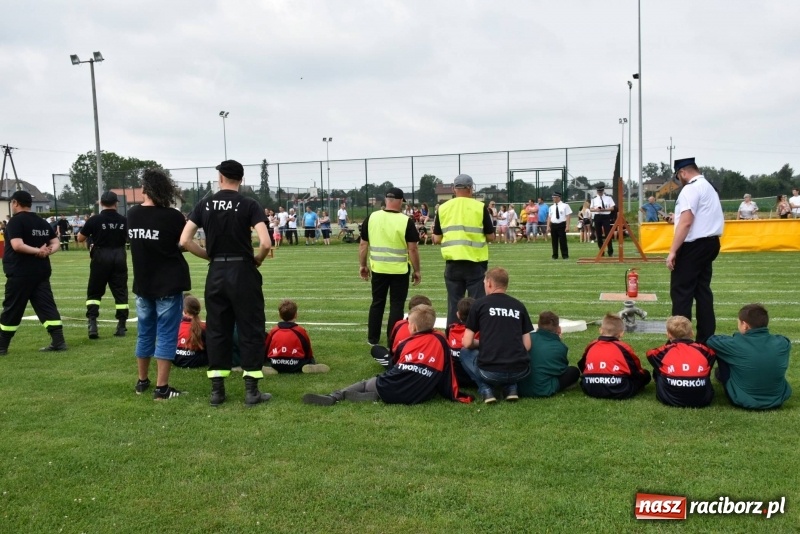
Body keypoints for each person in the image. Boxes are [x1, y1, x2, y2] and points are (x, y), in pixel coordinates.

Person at [180, 159, 272, 407]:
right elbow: (265, 242)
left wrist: (209, 256)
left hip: (217, 271)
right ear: (241, 180)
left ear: (220, 178)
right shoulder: (249, 204)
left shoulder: (204, 204)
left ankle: (217, 391)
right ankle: (252, 391)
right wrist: (257, 261)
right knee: (250, 327)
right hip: (243, 270)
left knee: (218, 328)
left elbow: (185, 240)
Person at [302, 304, 472, 406]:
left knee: (366, 382)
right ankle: (375, 396)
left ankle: (336, 395)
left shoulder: (406, 343)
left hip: (392, 386)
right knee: (420, 385)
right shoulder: (441, 339)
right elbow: (447, 369)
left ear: (412, 327)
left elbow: (394, 367)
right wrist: (456, 394)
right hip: (420, 395)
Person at [128, 169, 190, 400]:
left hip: (143, 283)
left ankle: (142, 381)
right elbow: (183, 242)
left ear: (145, 189)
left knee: (144, 333)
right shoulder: (172, 216)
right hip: (168, 283)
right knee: (166, 334)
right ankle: (162, 388)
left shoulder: (132, 214)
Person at [0, 190, 67, 355]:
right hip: (41, 271)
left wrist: (38, 251)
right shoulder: (42, 222)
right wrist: (46, 252)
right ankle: (58, 341)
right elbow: (55, 242)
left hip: (20, 272)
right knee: (46, 306)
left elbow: (17, 245)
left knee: (12, 308)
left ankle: (2, 346)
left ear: (15, 203)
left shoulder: (15, 222)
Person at [666, 157, 725, 344]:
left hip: (694, 246)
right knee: (702, 291)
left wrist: (673, 251)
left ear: (682, 173)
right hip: (710, 243)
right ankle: (706, 339)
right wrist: (675, 218)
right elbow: (698, 216)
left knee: (681, 292)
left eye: (678, 177)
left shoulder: (690, 188)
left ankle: (680, 339)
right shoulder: (708, 186)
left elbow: (687, 222)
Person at [460, 267, 533, 404]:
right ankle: (511, 387)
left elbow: (467, 342)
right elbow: (527, 345)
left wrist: (484, 343)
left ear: (489, 283)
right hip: (519, 371)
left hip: (489, 373)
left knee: (464, 353)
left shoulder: (479, 305)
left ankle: (485, 389)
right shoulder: (519, 306)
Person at [359, 187, 421, 345]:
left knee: (377, 302)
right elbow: (412, 248)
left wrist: (363, 265)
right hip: (400, 270)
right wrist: (417, 270)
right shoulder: (406, 220)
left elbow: (363, 245)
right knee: (397, 305)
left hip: (378, 268)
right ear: (400, 201)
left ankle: (372, 339)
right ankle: (392, 339)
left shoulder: (372, 217)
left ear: (386, 200)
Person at [432, 174, 495, 326]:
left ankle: (453, 339)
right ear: (470, 189)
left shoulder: (443, 208)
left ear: (454, 189)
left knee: (454, 304)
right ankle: (478, 336)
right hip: (476, 262)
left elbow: (437, 238)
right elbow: (491, 236)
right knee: (478, 303)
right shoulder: (480, 207)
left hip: (453, 263)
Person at [707, 304, 791, 410]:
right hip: (777, 398)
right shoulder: (782, 342)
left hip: (743, 398)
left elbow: (712, 341)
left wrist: (736, 338)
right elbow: (783, 340)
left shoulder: (735, 344)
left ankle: (714, 379)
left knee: (721, 351)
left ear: (745, 325)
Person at [77, 191, 129, 339]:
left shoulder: (95, 220)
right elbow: (130, 237)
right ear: (116, 203)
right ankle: (121, 325)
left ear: (100, 203)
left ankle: (92, 324)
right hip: (119, 255)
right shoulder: (124, 220)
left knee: (94, 291)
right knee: (120, 291)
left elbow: (80, 238)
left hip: (100, 256)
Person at [646, 315, 716, 408]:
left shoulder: (663, 351)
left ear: (668, 335)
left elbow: (650, 354)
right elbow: (712, 355)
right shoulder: (703, 350)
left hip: (669, 398)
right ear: (692, 333)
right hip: (703, 399)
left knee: (659, 368)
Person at [577, 313, 651, 399]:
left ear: (600, 330)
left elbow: (582, 366)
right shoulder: (624, 348)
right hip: (619, 389)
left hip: (590, 388)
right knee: (646, 375)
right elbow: (636, 371)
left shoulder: (591, 345)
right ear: (622, 333)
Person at [518, 311, 580, 398]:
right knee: (574, 371)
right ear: (559, 329)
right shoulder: (559, 346)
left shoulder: (527, 338)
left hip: (519, 387)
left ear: (538, 326)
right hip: (541, 389)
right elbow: (560, 370)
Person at [264, 299, 329, 374]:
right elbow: (308, 350)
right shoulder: (300, 331)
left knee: (271, 361)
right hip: (296, 364)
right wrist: (310, 359)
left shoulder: (274, 330)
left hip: (275, 362)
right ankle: (309, 366)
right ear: (296, 315)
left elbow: (266, 348)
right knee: (309, 359)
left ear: (279, 315)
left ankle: (272, 367)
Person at [370, 294, 432, 367]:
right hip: (423, 365)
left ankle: (394, 368)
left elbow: (392, 346)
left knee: (377, 349)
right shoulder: (434, 332)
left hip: (401, 363)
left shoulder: (399, 324)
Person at [445, 297, 477, 388]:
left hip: (455, 378)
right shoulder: (479, 331)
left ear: (458, 315)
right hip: (474, 377)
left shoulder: (451, 329)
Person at [174, 295, 208, 368]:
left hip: (176, 359)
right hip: (195, 360)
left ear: (184, 311)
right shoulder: (203, 326)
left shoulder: (177, 325)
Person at [591, 183, 615, 256]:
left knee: (608, 234)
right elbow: (591, 209)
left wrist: (605, 209)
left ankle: (610, 251)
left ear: (603, 191)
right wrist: (596, 210)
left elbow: (612, 208)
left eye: (601, 191)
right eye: (598, 191)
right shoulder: (594, 199)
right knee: (599, 234)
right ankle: (601, 251)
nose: (600, 193)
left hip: (606, 216)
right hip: (598, 216)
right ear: (597, 191)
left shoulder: (608, 198)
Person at [547, 191, 571, 260]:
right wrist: (548, 226)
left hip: (562, 224)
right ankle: (555, 255)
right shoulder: (551, 207)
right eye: (553, 198)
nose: (553, 199)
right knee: (554, 241)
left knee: (563, 241)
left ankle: (565, 255)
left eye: (555, 197)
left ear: (558, 197)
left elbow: (568, 216)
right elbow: (549, 217)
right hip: (553, 225)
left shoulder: (565, 205)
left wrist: (567, 226)